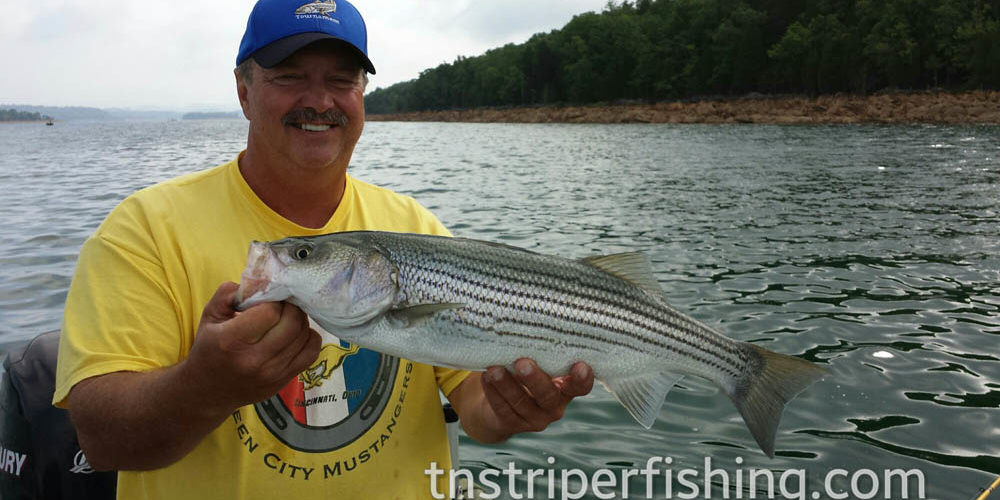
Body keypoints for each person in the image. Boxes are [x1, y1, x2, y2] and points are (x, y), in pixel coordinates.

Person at [53, 0, 594, 498]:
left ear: (362, 95)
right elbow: (101, 442)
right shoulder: (145, 231)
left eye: (342, 79)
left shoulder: (413, 225)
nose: (319, 100)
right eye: (289, 76)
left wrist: (510, 409)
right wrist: (205, 387)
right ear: (243, 91)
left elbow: (474, 405)